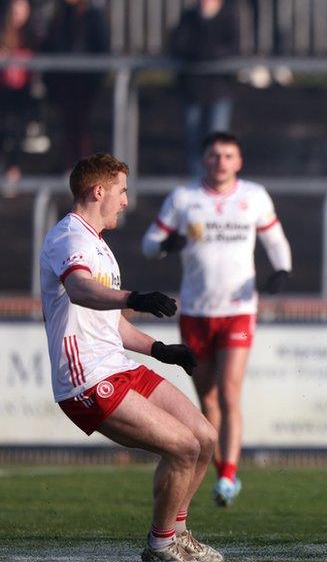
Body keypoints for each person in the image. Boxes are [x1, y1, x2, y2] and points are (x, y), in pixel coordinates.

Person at [40, 153, 221, 562]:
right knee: (181, 448)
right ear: (98, 191)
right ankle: (160, 546)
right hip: (85, 378)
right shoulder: (70, 238)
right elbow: (81, 290)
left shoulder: (100, 246)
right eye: (121, 191)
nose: (125, 200)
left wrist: (161, 350)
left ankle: (177, 534)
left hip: (119, 366)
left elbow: (112, 323)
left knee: (205, 438)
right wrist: (135, 297)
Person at [142, 132, 292, 508]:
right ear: (204, 160)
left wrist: (282, 269)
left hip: (238, 310)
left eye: (228, 155)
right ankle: (220, 467)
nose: (221, 161)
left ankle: (228, 477)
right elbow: (148, 243)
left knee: (229, 393)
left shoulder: (254, 196)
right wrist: (164, 246)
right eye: (214, 155)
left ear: (238, 162)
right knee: (207, 398)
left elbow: (275, 240)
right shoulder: (184, 199)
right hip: (195, 312)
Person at [169, 0, 239, 177]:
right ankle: (197, 181)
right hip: (193, 91)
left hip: (219, 91)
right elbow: (177, 45)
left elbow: (230, 51)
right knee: (194, 142)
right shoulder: (190, 18)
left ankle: (218, 180)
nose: (206, 0)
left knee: (219, 142)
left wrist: (200, 54)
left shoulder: (228, 19)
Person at [42, 0, 109, 170]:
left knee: (82, 128)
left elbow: (101, 46)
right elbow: (53, 44)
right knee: (68, 127)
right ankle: (70, 167)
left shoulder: (92, 15)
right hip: (65, 83)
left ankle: (83, 169)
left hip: (84, 83)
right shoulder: (62, 14)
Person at [0, 0, 35, 196]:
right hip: (4, 91)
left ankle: (13, 174)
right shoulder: (4, 34)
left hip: (21, 94)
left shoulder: (30, 36)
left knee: (16, 132)